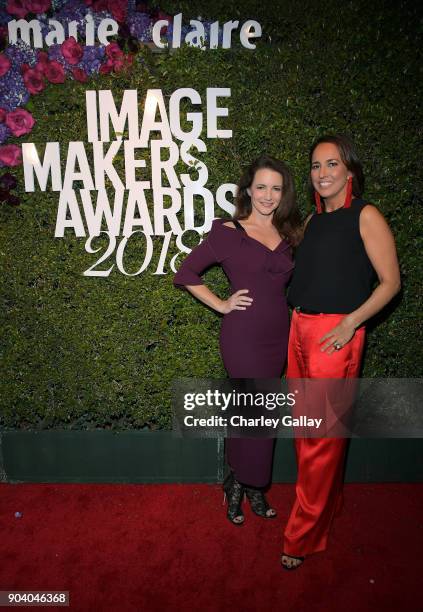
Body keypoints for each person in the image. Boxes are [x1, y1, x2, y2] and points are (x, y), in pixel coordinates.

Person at [281, 134, 401, 569]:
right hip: (298, 330)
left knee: (321, 441)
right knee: (306, 434)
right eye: (316, 166)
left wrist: (351, 322)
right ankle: (324, 510)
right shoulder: (313, 223)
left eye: (332, 164)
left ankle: (302, 537)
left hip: (335, 335)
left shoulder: (365, 215)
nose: (323, 173)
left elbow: (391, 283)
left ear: (348, 171)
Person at [174, 155, 301, 525]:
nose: (268, 195)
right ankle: (240, 485)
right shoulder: (230, 232)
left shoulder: (290, 235)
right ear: (247, 189)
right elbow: (187, 272)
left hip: (278, 335)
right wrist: (221, 304)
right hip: (242, 336)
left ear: (284, 194)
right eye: (261, 187)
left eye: (276, 188)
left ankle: (252, 485)